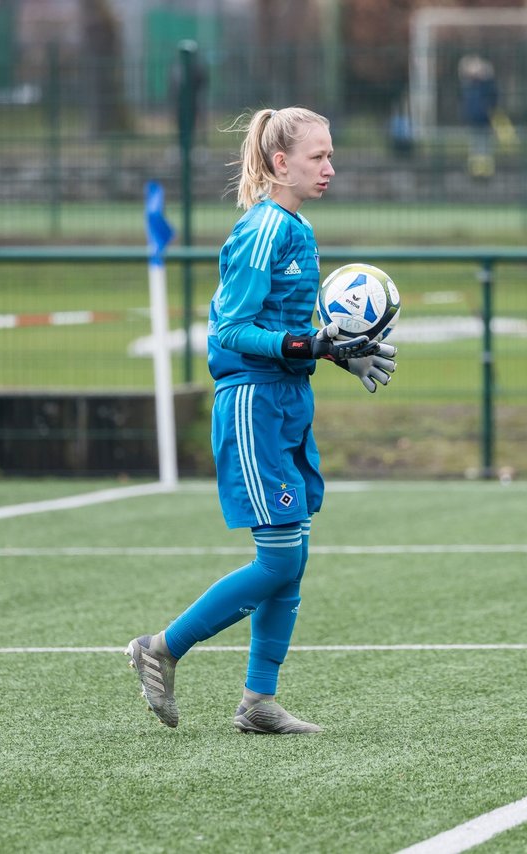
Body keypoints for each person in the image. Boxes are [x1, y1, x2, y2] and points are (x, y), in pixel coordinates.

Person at [125, 107, 397, 734]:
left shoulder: (296, 227)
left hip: (286, 401)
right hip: (252, 402)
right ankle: (160, 648)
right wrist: (313, 347)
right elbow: (234, 332)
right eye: (317, 157)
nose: (330, 167)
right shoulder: (264, 229)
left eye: (330, 155)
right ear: (281, 163)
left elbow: (290, 332)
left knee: (292, 557)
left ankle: (258, 703)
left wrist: (339, 354)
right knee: (276, 560)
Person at [458, 55, 498, 177]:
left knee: (484, 145)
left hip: (484, 119)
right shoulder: (470, 85)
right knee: (476, 145)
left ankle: (485, 170)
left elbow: (493, 99)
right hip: (475, 119)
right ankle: (477, 170)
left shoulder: (485, 85)